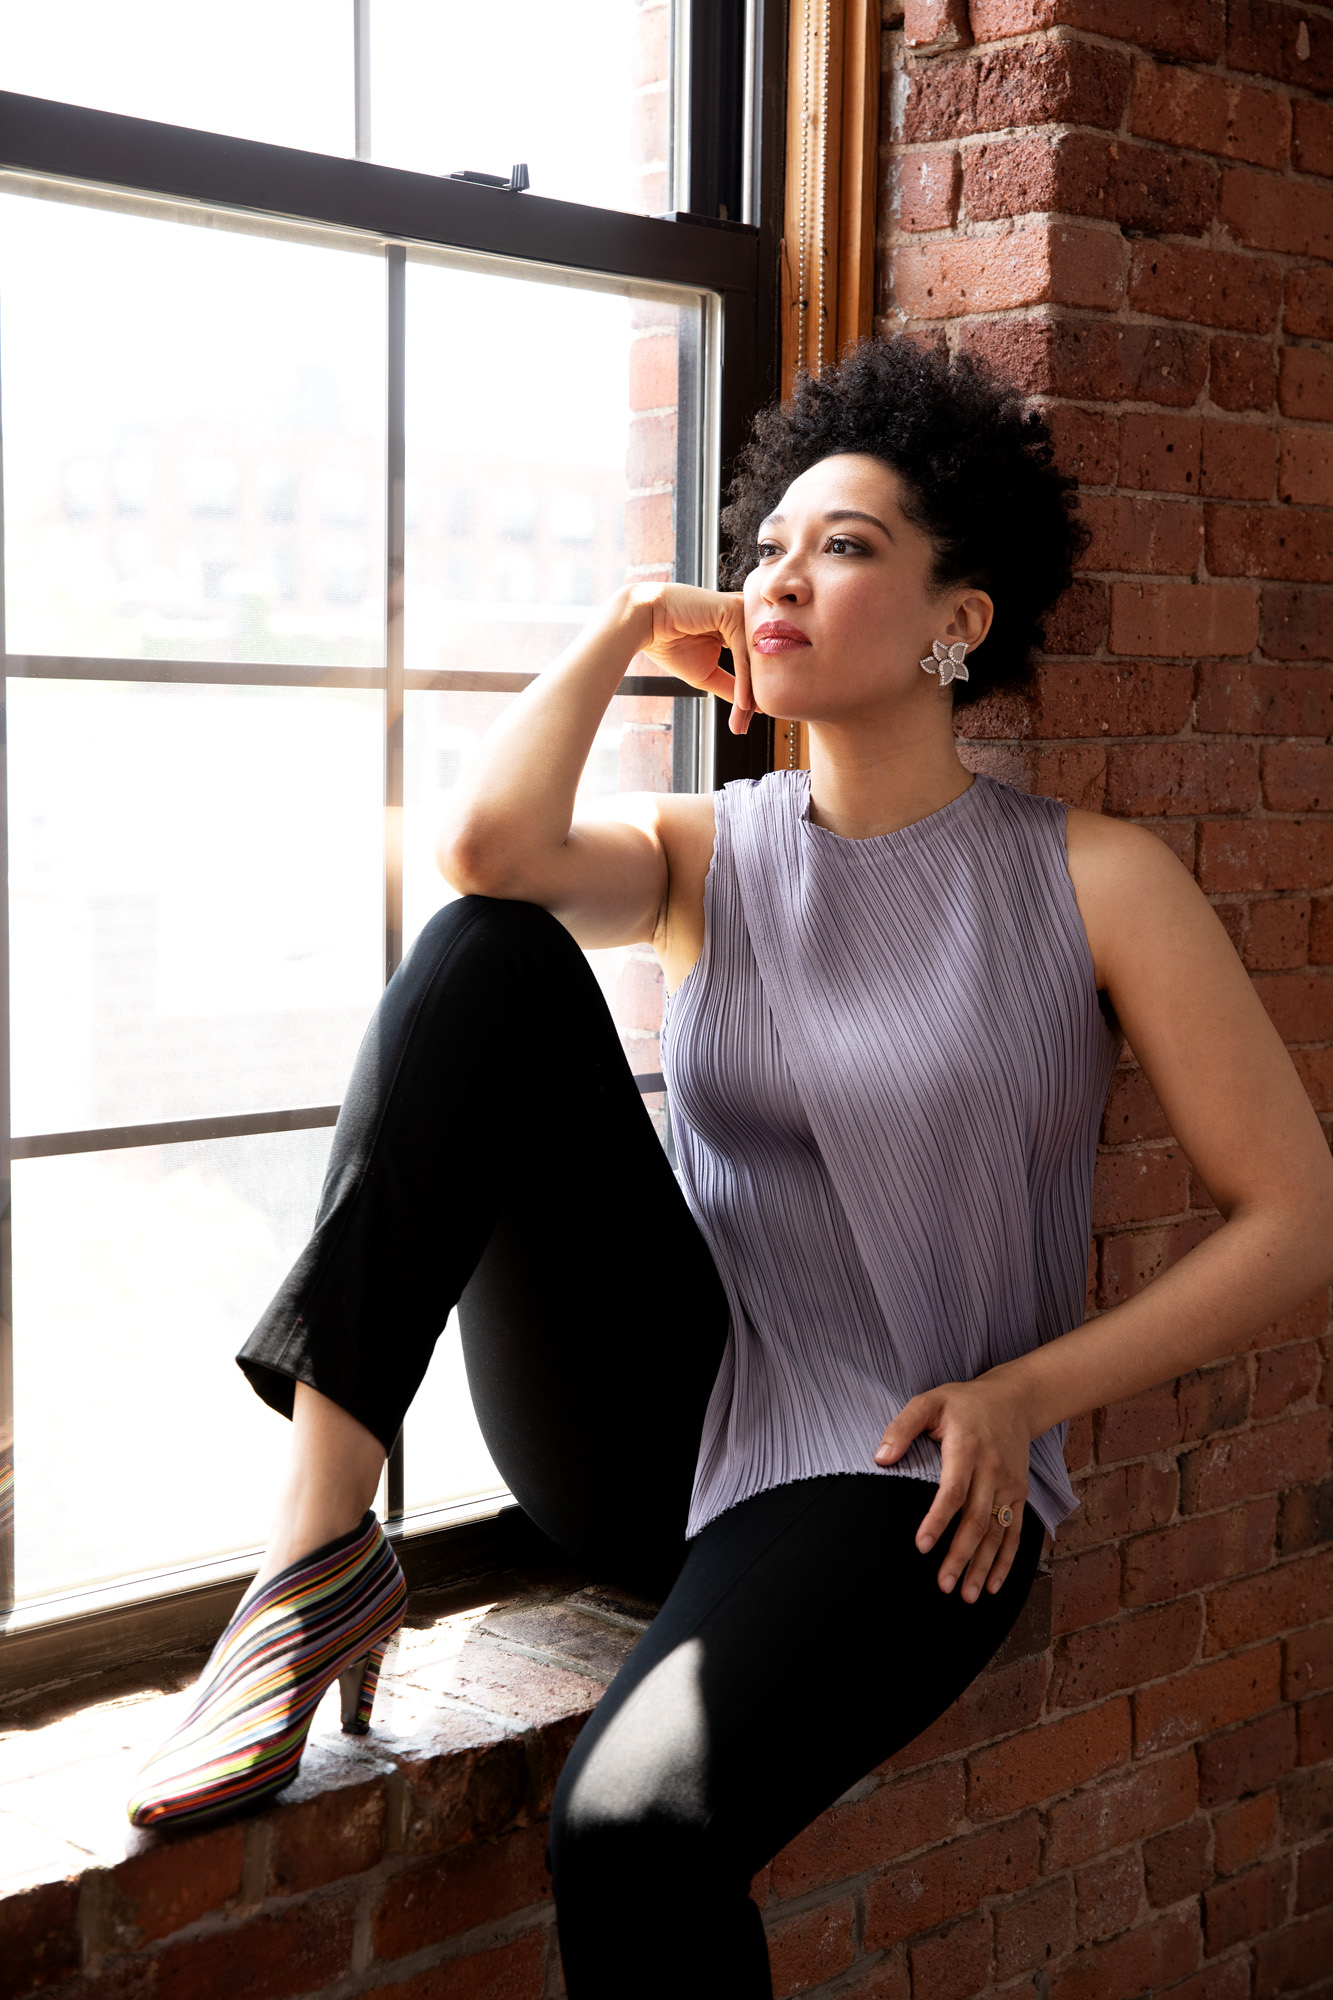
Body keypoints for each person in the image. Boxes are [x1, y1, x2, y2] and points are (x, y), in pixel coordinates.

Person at [127, 339, 1333, 1997]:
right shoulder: (716, 855)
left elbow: (1294, 1221)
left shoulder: (1097, 883)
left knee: (632, 1829)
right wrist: (629, 619)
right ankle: (321, 1549)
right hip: (657, 1416)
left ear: (954, 621)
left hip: (905, 1473)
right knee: (485, 949)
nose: (776, 577)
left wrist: (1027, 1395)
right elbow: (484, 857)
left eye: (840, 547)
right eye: (764, 548)